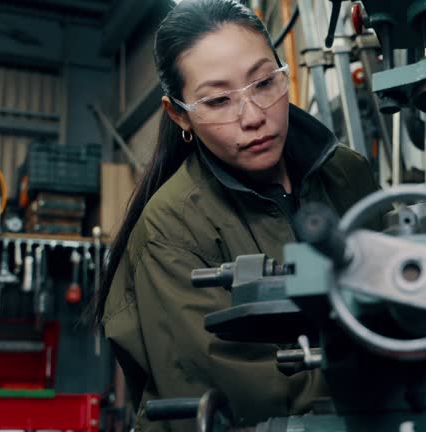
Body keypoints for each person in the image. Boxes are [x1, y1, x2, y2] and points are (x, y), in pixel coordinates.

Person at [93, 0, 378, 430]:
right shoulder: (169, 227)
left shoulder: (346, 173)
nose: (252, 117)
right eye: (219, 100)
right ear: (179, 115)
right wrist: (392, 374)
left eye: (264, 83)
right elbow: (232, 385)